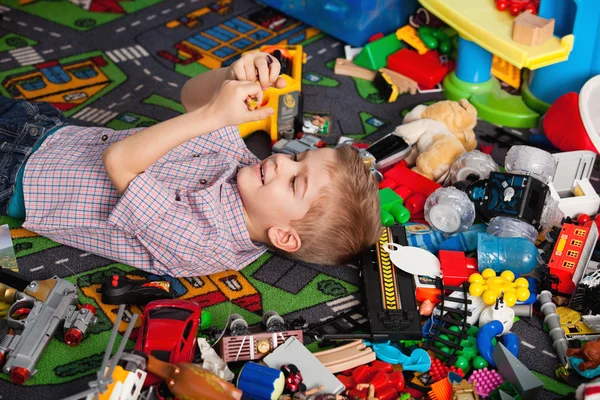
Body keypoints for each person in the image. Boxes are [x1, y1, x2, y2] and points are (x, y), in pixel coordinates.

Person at [0, 51, 381, 277]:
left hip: (18, 179)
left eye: (295, 183)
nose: (281, 162)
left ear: (283, 235)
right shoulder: (246, 169)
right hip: (50, 130)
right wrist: (232, 75)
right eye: (298, 157)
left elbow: (119, 162)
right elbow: (193, 100)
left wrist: (215, 116)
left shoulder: (204, 242)